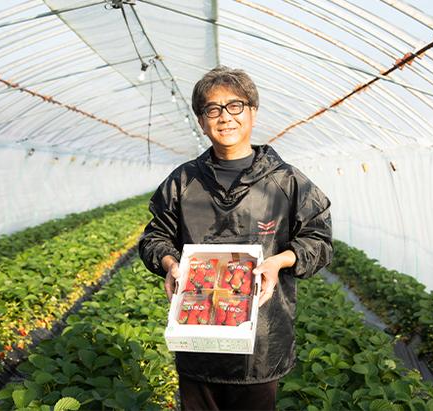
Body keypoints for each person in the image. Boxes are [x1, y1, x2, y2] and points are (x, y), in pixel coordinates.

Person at [139, 66, 332, 411]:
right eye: (213, 109)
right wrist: (170, 263)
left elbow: (318, 240)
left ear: (253, 112)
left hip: (260, 339)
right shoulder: (184, 181)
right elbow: (155, 236)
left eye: (235, 106)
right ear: (202, 120)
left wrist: (279, 261)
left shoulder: (286, 181)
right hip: (197, 333)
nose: (224, 117)